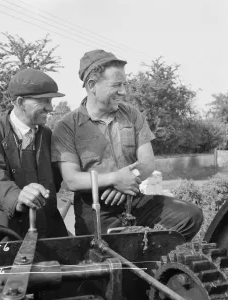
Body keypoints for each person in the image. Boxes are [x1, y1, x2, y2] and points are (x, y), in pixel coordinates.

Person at [51, 49, 203, 241]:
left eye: (124, 84)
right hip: (95, 209)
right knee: (107, 259)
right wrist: (115, 179)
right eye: (116, 85)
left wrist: (127, 182)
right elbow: (72, 179)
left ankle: (153, 259)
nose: (123, 91)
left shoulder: (132, 114)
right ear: (92, 85)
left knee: (191, 216)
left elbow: (147, 162)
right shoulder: (67, 126)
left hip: (135, 198)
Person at [0, 68, 68, 241]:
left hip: (48, 233)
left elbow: (58, 178)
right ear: (21, 102)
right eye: (44, 101)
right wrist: (16, 196)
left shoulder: (47, 135)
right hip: (5, 233)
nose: (50, 108)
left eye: (50, 100)